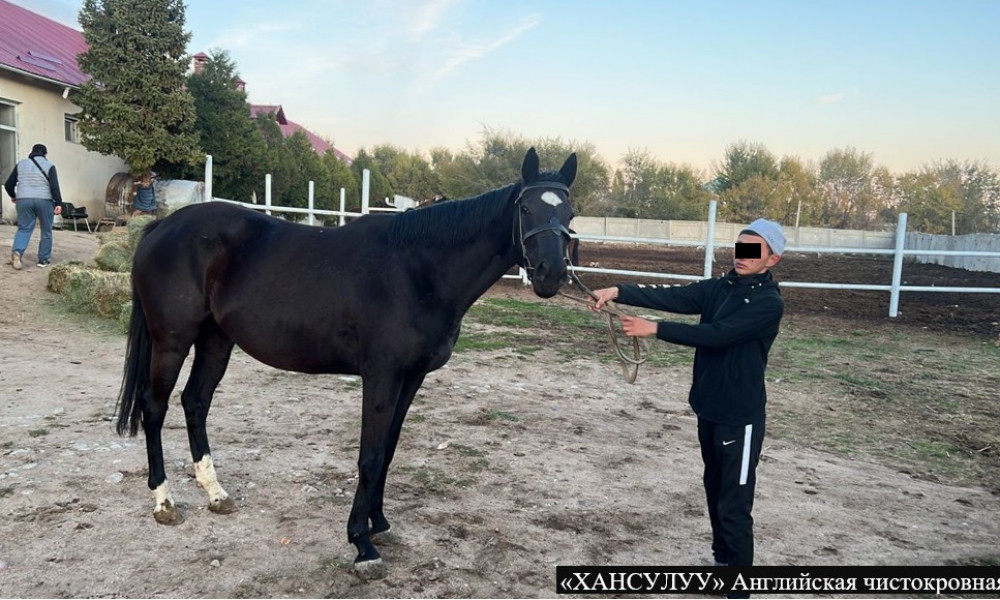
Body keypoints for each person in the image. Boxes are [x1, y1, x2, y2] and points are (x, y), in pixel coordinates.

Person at [591, 218, 786, 583]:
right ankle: (722, 563)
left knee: (735, 504)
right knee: (715, 490)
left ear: (772, 259)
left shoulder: (768, 304)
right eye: (740, 247)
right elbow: (672, 295)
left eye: (753, 251)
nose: (742, 256)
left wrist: (656, 329)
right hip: (708, 408)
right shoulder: (720, 288)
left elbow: (718, 335)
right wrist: (618, 290)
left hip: (739, 418)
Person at [4, 144, 64, 269]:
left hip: (23, 200)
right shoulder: (49, 166)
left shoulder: (21, 164)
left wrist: (14, 196)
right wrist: (58, 203)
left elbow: (9, 184)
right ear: (45, 154)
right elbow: (54, 187)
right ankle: (43, 260)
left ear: (32, 152)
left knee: (24, 228)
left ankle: (17, 252)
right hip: (44, 200)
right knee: (46, 230)